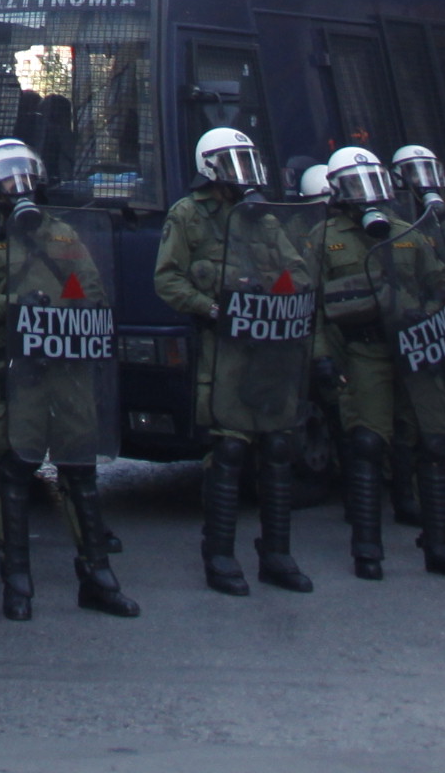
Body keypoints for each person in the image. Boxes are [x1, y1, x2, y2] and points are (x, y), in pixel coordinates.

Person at [0, 138, 136, 622]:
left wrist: (60, 310)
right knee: (15, 471)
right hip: (16, 374)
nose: (18, 186)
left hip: (67, 368)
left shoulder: (62, 234)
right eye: (7, 177)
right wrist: (14, 309)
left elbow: (95, 296)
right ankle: (17, 580)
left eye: (25, 176)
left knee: (79, 470)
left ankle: (97, 576)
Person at [149, 127, 317, 597]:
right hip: (224, 350)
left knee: (279, 449)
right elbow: (168, 280)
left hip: (270, 349)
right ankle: (220, 554)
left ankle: (276, 553)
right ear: (209, 167)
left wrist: (277, 293)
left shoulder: (261, 218)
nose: (241, 173)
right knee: (228, 451)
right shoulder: (189, 215)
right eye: (231, 162)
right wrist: (211, 307)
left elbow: (297, 271)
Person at [315, 147, 445, 583]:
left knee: (433, 442)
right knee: (367, 444)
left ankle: (439, 545)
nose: (367, 194)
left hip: (416, 350)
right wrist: (323, 358)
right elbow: (312, 309)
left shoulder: (410, 233)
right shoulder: (324, 239)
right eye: (354, 184)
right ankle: (367, 548)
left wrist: (443, 336)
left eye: (372, 181)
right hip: (364, 352)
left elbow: (441, 286)